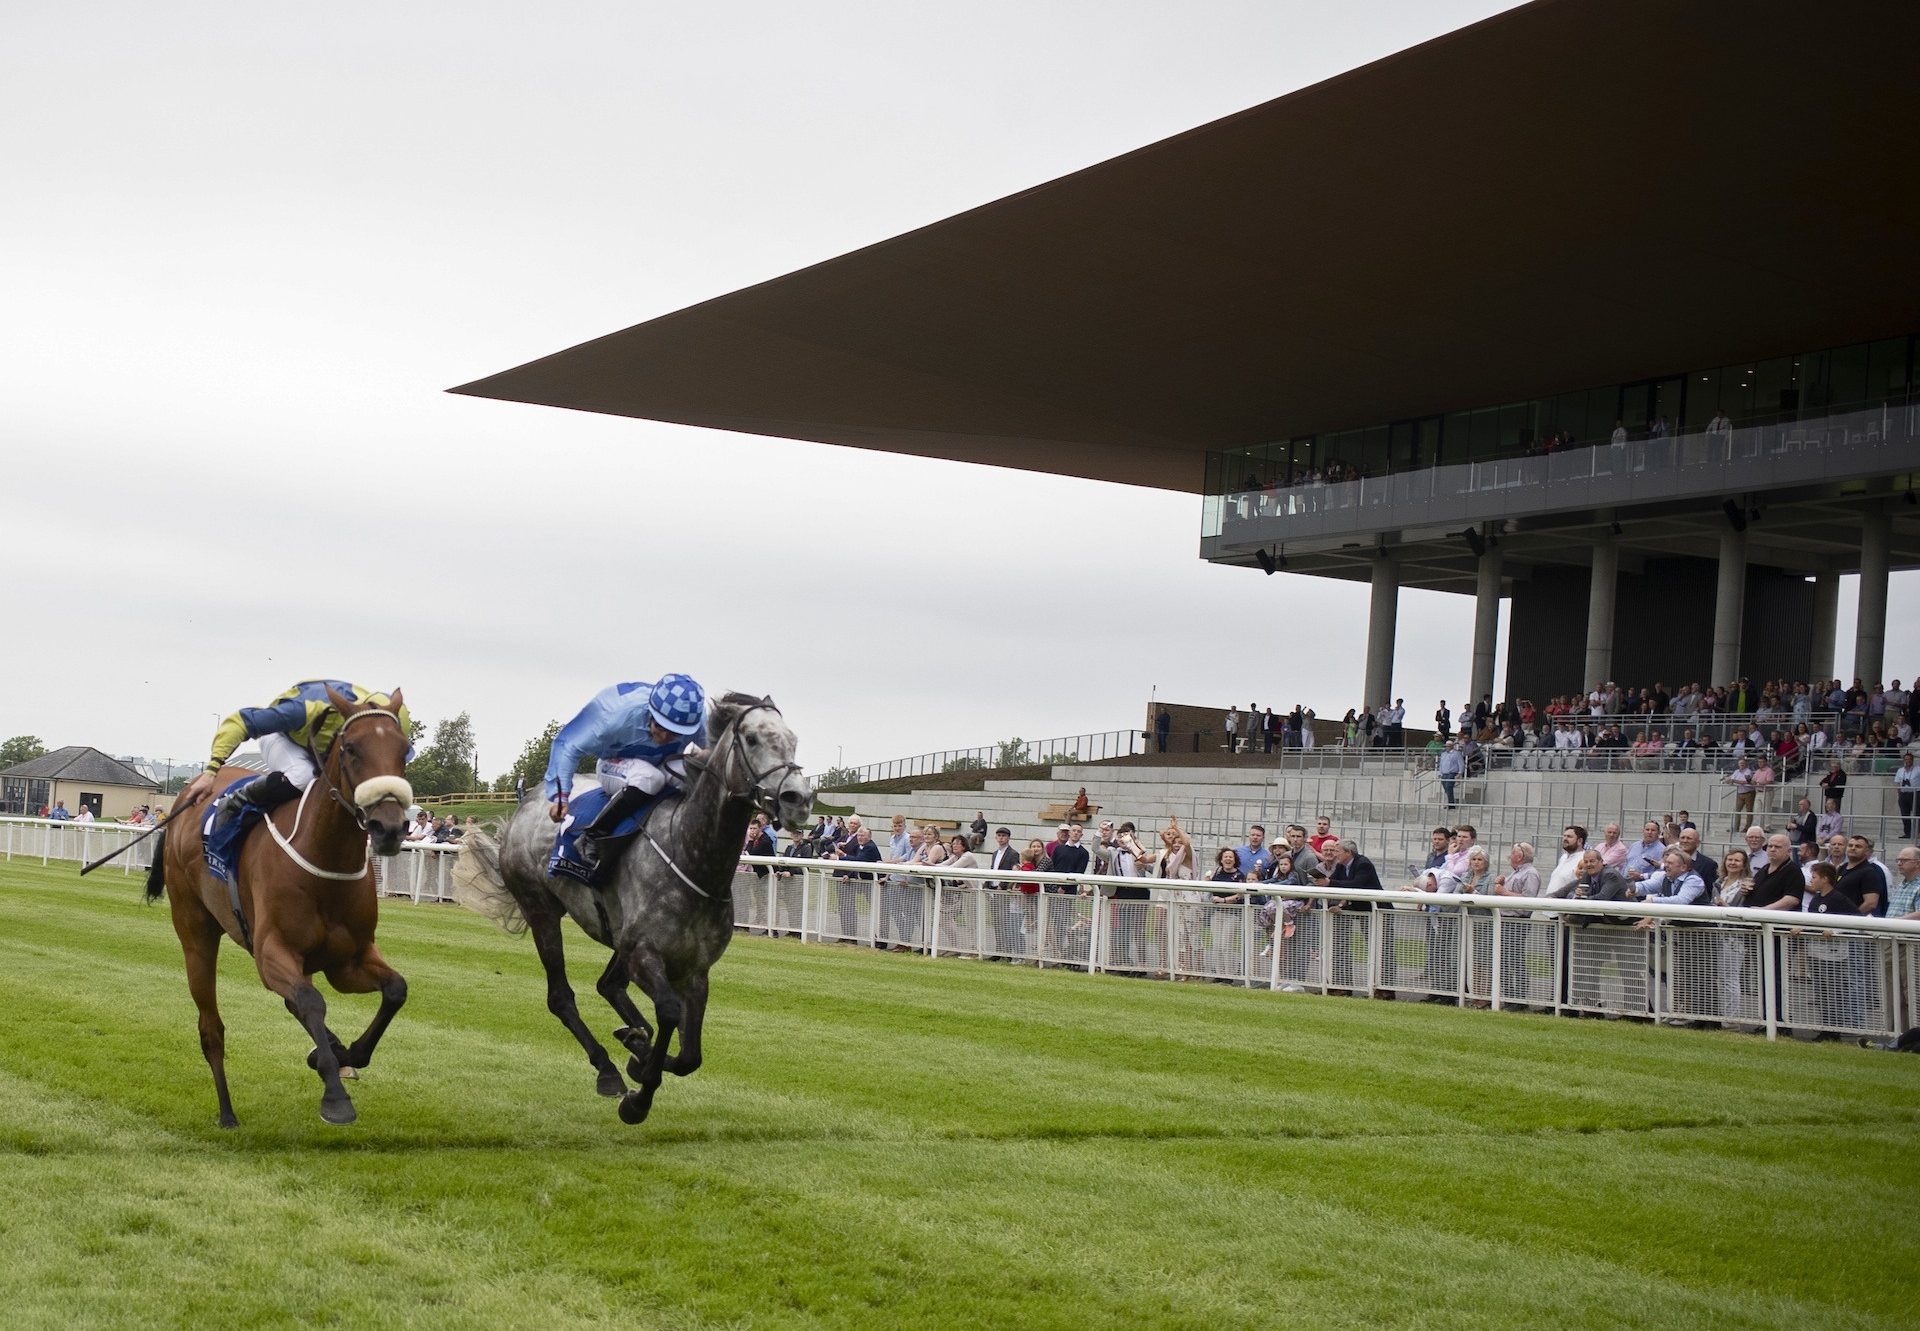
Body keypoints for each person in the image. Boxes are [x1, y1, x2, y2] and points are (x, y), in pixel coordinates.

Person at [179, 680, 414, 840]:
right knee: (302, 776)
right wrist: (211, 772)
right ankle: (237, 801)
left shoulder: (391, 723)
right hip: (284, 737)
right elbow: (240, 722)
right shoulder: (303, 710)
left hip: (333, 746)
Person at [542, 674, 706, 876]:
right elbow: (568, 744)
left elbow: (716, 755)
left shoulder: (699, 720)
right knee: (651, 778)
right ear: (650, 712)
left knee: (694, 771)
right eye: (660, 727)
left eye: (674, 733)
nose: (664, 738)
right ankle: (592, 836)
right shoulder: (614, 713)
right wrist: (560, 797)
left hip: (660, 766)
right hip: (612, 766)